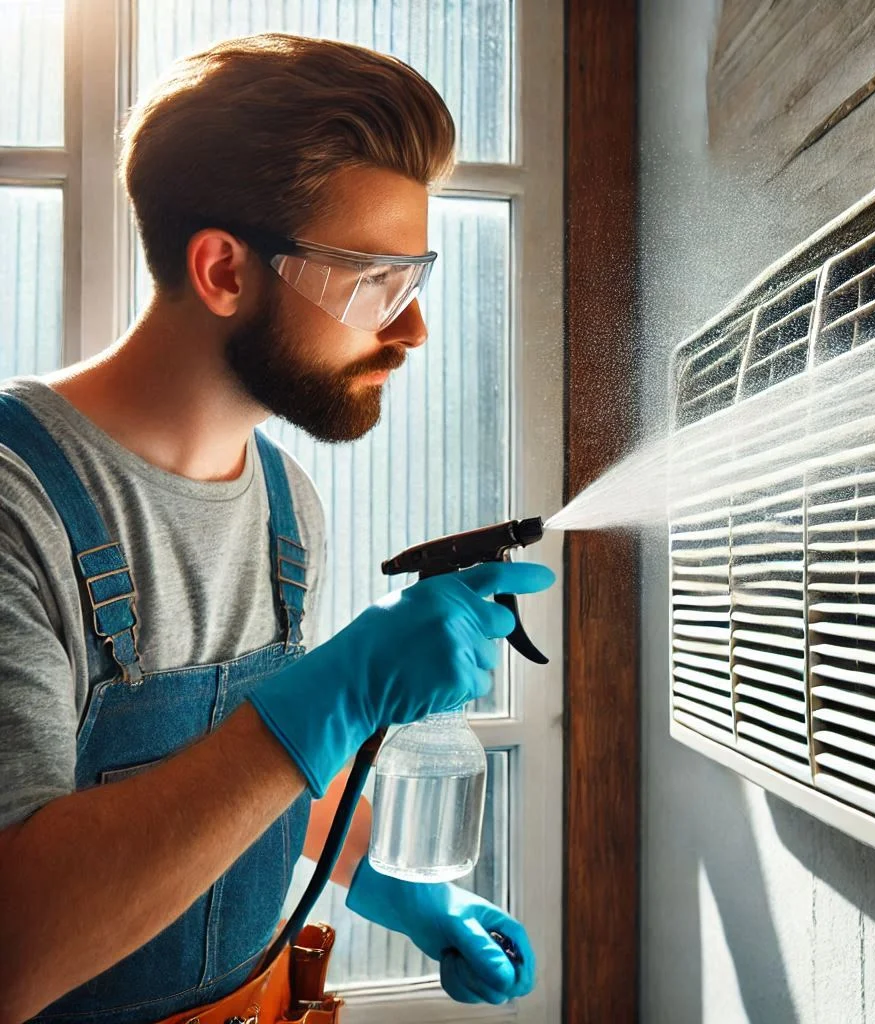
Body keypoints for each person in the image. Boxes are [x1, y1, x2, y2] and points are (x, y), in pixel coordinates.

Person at [0, 33, 555, 1024]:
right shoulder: (18, 504)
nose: (412, 328)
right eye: (373, 282)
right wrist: (339, 687)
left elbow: (242, 774)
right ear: (222, 269)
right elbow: (12, 951)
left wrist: (407, 895)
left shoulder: (286, 502)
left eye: (413, 278)